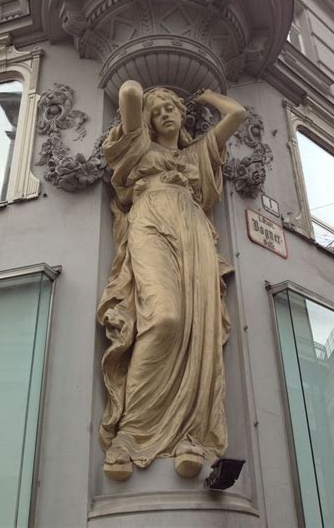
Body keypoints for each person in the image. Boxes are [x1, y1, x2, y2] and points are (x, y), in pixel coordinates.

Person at [97, 80, 245, 480]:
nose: (166, 114)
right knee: (165, 319)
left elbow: (236, 115)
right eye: (158, 110)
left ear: (183, 116)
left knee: (198, 333)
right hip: (150, 220)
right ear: (148, 117)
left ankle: (189, 434)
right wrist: (143, 97)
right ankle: (130, 433)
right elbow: (128, 92)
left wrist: (204, 97)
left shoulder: (198, 152)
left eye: (172, 109)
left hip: (193, 230)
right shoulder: (139, 147)